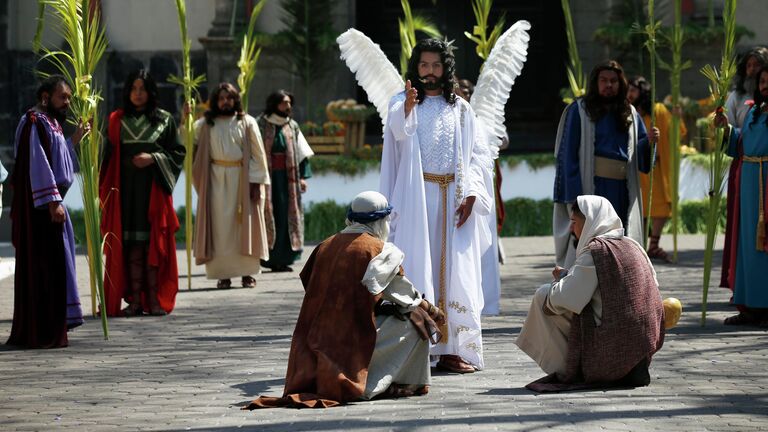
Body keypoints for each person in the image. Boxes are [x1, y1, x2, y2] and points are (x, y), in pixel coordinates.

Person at [245, 191, 445, 408]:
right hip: (349, 344)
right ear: (380, 221)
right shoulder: (380, 250)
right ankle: (377, 384)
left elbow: (311, 285)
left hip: (311, 341)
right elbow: (407, 298)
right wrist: (432, 310)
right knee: (417, 321)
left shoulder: (324, 245)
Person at [380, 39, 494, 373]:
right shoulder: (400, 102)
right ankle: (418, 348)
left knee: (455, 275)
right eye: (424, 66)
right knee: (418, 269)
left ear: (446, 69)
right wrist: (407, 110)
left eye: (437, 66)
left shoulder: (460, 108)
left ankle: (451, 349)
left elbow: (475, 155)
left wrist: (472, 193)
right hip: (417, 200)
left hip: (453, 201)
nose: (430, 72)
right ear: (416, 68)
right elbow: (398, 135)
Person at [516, 195, 665, 390]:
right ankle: (629, 367)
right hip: (643, 347)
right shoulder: (633, 244)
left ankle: (571, 369)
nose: (571, 229)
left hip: (614, 349)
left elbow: (568, 298)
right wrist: (569, 277)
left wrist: (559, 282)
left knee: (544, 295)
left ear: (589, 221)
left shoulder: (596, 250)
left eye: (574, 222)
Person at [553, 60, 659, 269]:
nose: (608, 85)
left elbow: (641, 156)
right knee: (590, 247)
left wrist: (649, 143)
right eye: (604, 80)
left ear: (621, 84)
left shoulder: (629, 112)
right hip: (592, 191)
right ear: (596, 83)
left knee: (619, 243)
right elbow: (567, 157)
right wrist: (576, 201)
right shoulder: (579, 110)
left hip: (621, 192)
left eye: (613, 81)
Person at [7, 75, 85, 348]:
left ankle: (53, 326)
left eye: (69, 98)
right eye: (63, 97)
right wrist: (53, 201)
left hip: (52, 205)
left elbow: (57, 155)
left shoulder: (50, 123)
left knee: (56, 267)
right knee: (44, 268)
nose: (67, 103)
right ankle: (41, 331)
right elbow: (37, 164)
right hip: (42, 210)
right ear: (45, 97)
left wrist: (74, 138)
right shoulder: (33, 122)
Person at [101, 70, 185, 317]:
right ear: (127, 92)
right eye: (134, 89)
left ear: (150, 92)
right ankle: (135, 301)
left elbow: (178, 153)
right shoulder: (117, 119)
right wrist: (91, 139)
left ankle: (155, 300)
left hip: (153, 193)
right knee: (131, 247)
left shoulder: (164, 120)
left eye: (143, 89)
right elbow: (106, 156)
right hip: (125, 193)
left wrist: (153, 158)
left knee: (151, 246)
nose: (138, 94)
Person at [192, 83, 269, 288]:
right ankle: (222, 274)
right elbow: (187, 142)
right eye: (221, 98)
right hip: (215, 181)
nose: (226, 102)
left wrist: (256, 182)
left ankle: (248, 274)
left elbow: (258, 154)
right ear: (215, 101)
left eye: (229, 98)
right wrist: (186, 119)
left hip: (242, 180)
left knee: (245, 226)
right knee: (219, 228)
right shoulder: (205, 124)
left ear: (236, 100)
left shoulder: (247, 122)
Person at [715, 66, 768, 327]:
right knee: (747, 244)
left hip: (767, 179)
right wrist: (726, 130)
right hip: (749, 181)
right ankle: (750, 307)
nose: (765, 85)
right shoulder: (752, 112)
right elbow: (740, 144)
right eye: (763, 81)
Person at [457, 77, 504, 315]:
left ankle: (485, 301)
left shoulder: (476, 119)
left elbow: (498, 142)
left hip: (476, 188)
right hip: (450, 188)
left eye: (463, 90)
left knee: (481, 244)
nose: (459, 93)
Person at [628, 76, 687, 262]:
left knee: (660, 207)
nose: (629, 94)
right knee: (640, 208)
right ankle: (641, 245)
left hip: (656, 168)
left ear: (643, 92)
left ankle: (653, 244)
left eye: (633, 90)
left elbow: (676, 132)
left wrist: (677, 118)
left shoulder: (658, 110)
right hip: (636, 167)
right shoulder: (626, 111)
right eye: (628, 90)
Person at [256, 90, 313, 272]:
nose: (287, 107)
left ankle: (285, 258)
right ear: (274, 104)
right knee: (270, 215)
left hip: (289, 181)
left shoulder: (293, 126)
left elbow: (302, 154)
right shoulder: (261, 124)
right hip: (267, 179)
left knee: (287, 216)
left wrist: (303, 177)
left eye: (289, 103)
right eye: (283, 103)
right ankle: (269, 258)